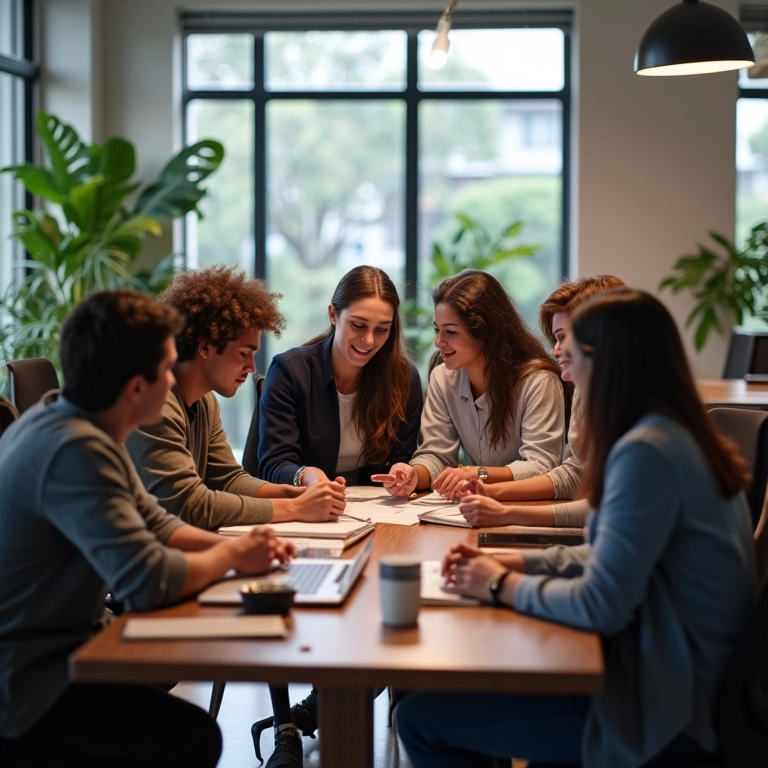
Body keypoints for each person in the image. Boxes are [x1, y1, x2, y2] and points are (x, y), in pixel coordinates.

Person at [396, 288, 757, 768]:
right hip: (671, 675)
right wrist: (515, 562)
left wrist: (500, 584)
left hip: (661, 703)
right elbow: (609, 555)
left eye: (573, 343)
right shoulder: (669, 434)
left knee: (419, 719)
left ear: (611, 360)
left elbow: (601, 604)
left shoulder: (647, 453)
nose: (559, 354)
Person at [0, 290, 294, 767]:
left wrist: (250, 545)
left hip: (63, 648)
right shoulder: (76, 451)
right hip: (29, 686)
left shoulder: (75, 421)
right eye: (167, 368)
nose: (175, 378)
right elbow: (149, 582)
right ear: (137, 387)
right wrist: (233, 556)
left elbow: (158, 522)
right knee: (193, 738)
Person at [256, 264, 423, 768]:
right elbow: (273, 460)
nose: (369, 341)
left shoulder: (402, 378)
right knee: (288, 598)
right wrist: (307, 476)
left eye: (382, 329)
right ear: (333, 315)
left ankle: (316, 707)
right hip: (301, 514)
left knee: (387, 608)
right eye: (358, 325)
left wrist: (405, 474)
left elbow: (404, 457)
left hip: (375, 521)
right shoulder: (291, 370)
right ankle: (287, 720)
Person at [127, 265, 346, 529]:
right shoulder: (152, 403)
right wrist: (297, 508)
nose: (252, 367)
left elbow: (228, 480)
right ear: (205, 346)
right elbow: (187, 505)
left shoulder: (205, 402)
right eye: (244, 353)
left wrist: (298, 494)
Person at [457, 274, 625, 527]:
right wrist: (490, 491)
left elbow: (611, 510)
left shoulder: (641, 415)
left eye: (562, 337)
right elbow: (575, 474)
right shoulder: (586, 389)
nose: (555, 350)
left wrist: (506, 513)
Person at [381, 269, 565, 499]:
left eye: (451, 332)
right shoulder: (442, 378)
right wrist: (413, 475)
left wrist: (478, 473)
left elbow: (541, 465)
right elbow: (437, 455)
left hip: (527, 505)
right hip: (474, 505)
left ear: (485, 331)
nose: (438, 342)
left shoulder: (538, 381)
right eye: (437, 330)